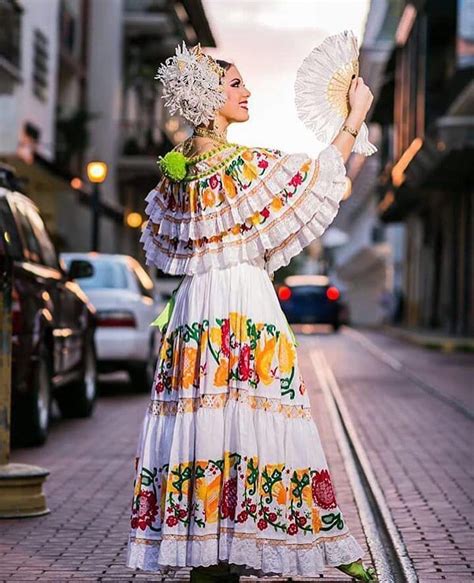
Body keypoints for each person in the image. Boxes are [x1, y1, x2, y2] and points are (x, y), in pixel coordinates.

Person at [126, 42, 376, 582]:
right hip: (241, 303)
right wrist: (356, 117)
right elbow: (318, 177)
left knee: (206, 426)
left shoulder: (177, 168)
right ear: (208, 96)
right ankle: (303, 541)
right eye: (236, 84)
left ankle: (207, 553)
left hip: (197, 310)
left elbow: (176, 242)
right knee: (258, 422)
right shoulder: (240, 166)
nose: (247, 92)